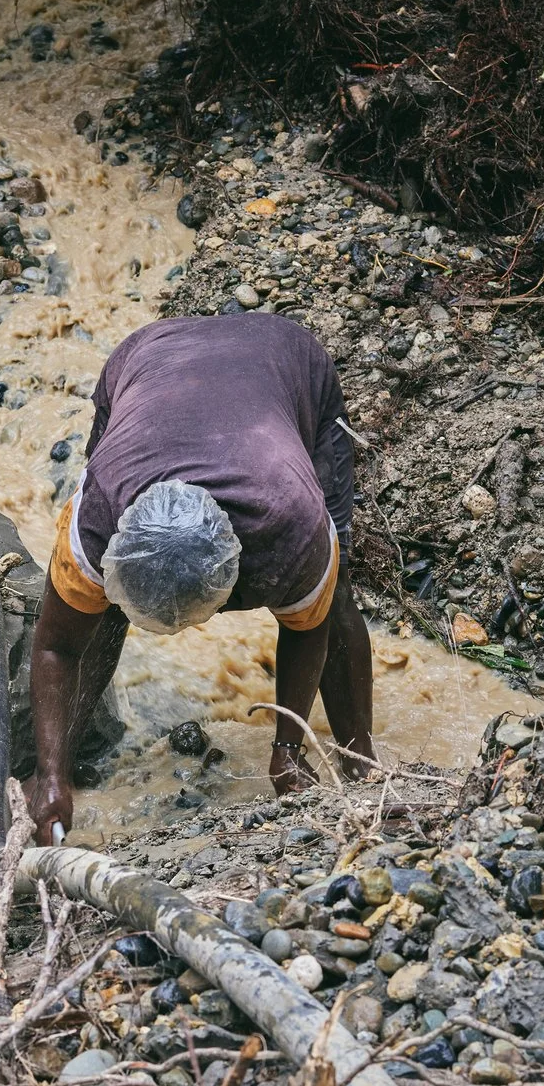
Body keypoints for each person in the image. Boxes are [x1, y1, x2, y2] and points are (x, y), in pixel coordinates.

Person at [26, 310, 375, 835]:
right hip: (149, 355)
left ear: (232, 579)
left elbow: (309, 626)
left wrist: (287, 749)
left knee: (335, 595)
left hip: (282, 357)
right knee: (96, 613)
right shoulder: (97, 522)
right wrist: (47, 774)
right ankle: (64, 774)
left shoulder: (289, 528)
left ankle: (363, 766)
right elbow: (56, 645)